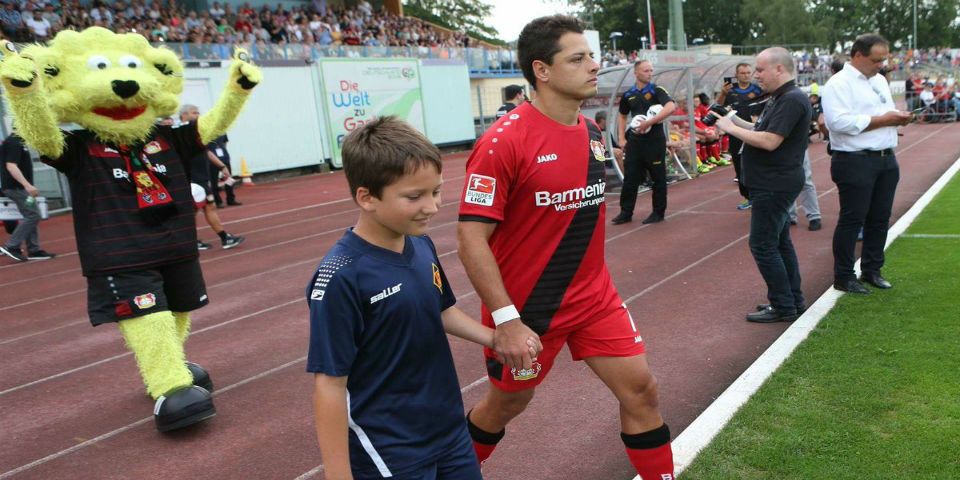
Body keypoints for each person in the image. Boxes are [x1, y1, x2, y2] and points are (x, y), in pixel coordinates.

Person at [457, 15, 675, 480]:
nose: (593, 66)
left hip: (595, 299)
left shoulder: (592, 133)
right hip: (528, 310)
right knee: (508, 403)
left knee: (641, 391)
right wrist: (507, 320)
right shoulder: (502, 143)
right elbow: (470, 239)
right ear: (542, 70)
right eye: (577, 59)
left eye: (591, 56)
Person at [308, 117, 519, 480]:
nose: (432, 206)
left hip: (448, 429)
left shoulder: (420, 243)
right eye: (414, 197)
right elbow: (329, 384)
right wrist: (338, 474)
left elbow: (440, 310)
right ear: (367, 197)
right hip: (389, 447)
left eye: (436, 191)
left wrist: (494, 337)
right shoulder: (341, 276)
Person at [715, 47, 812, 323]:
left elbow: (770, 141)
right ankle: (791, 300)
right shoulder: (782, 97)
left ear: (779, 69)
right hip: (773, 181)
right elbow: (760, 130)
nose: (756, 75)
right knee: (779, 242)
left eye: (760, 69)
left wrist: (730, 129)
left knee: (763, 245)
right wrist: (731, 119)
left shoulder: (791, 99)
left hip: (774, 182)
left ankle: (783, 305)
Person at [821, 34, 912, 294]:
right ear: (858, 55)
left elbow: (883, 114)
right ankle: (844, 276)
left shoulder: (879, 80)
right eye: (876, 60)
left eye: (883, 60)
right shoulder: (838, 83)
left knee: (880, 219)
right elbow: (837, 123)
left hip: (886, 157)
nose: (881, 65)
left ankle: (872, 269)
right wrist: (884, 120)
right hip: (854, 160)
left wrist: (898, 118)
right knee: (853, 219)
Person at [613, 59, 677, 225]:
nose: (650, 73)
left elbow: (670, 107)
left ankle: (658, 212)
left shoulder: (657, 90)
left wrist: (649, 122)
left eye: (651, 70)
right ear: (636, 73)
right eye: (646, 70)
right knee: (630, 177)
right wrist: (621, 138)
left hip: (654, 140)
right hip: (635, 141)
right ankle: (625, 212)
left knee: (658, 177)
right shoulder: (629, 94)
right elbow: (622, 116)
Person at [179, 105, 244, 250]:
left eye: (198, 112)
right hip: (192, 179)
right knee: (205, 207)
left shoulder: (195, 132)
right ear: (184, 115)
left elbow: (206, 151)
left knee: (200, 208)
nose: (198, 115)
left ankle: (200, 240)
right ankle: (223, 238)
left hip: (201, 178)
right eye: (194, 112)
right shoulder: (178, 133)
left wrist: (222, 166)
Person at [0, 132, 55, 261]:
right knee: (33, 215)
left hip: (19, 187)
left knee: (31, 215)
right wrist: (27, 185)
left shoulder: (19, 141)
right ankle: (12, 246)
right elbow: (11, 166)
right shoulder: (14, 142)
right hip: (16, 187)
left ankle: (34, 249)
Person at [717, 62, 765, 210]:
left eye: (748, 72)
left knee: (756, 164)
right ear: (736, 75)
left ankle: (759, 195)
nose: (746, 75)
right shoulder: (730, 91)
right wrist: (723, 93)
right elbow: (718, 107)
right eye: (742, 73)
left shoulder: (758, 90)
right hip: (735, 133)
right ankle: (747, 197)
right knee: (739, 166)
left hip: (754, 132)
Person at [207, 134, 241, 207]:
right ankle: (218, 201)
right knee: (214, 181)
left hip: (224, 158)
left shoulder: (222, 131)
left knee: (229, 179)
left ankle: (231, 199)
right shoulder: (206, 131)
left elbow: (225, 142)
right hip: (212, 160)